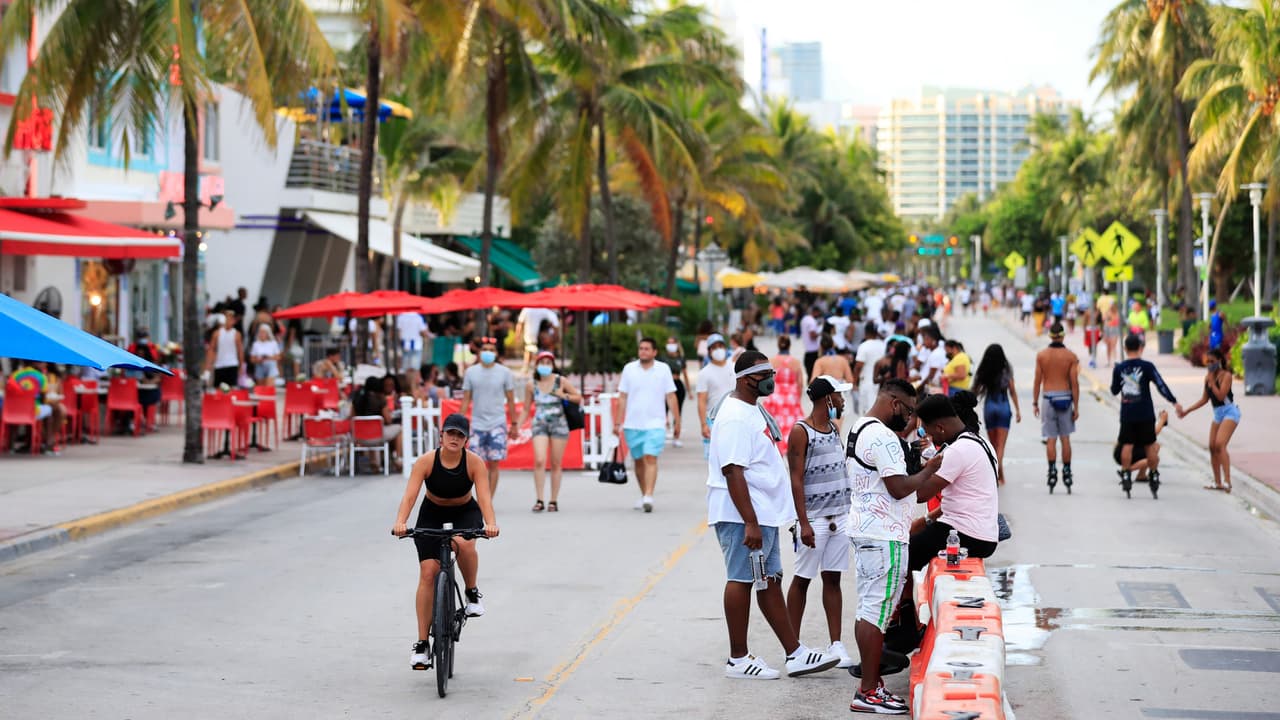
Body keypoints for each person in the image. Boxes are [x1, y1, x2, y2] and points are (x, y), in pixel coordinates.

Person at [708, 351, 840, 681]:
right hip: (743, 515)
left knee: (770, 580)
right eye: (766, 373)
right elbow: (732, 471)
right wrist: (750, 521)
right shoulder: (736, 416)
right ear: (746, 378)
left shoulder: (751, 410)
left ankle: (795, 653)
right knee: (741, 578)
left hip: (760, 513)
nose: (773, 379)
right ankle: (738, 658)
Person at [845, 378, 942, 714]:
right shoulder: (883, 436)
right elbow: (900, 488)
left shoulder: (860, 427)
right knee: (876, 611)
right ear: (895, 404)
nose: (911, 419)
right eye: (909, 411)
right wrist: (930, 468)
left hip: (866, 530)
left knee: (868, 609)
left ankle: (871, 684)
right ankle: (868, 690)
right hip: (884, 534)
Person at [392, 414, 500, 670]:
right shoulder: (426, 462)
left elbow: (484, 498)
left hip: (464, 511)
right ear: (441, 435)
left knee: (464, 543)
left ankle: (472, 592)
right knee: (428, 572)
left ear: (466, 440)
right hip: (433, 512)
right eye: (450, 433)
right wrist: (401, 522)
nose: (454, 438)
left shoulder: (474, 463)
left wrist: (491, 523)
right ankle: (421, 644)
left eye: (460, 435)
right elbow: (410, 496)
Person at [785, 376, 855, 669]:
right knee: (802, 580)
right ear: (827, 399)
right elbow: (796, 477)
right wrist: (803, 523)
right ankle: (793, 646)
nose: (842, 401)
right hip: (814, 519)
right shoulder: (801, 432)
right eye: (839, 396)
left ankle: (836, 643)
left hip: (839, 516)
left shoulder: (833, 429)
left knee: (833, 578)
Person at [908, 392, 1000, 568]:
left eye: (929, 433)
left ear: (940, 428)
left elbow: (921, 494)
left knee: (905, 553)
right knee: (919, 539)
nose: (931, 439)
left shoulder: (957, 450)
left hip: (965, 533)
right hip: (985, 533)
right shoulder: (981, 442)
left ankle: (906, 597)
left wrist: (921, 470)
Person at [616, 337, 680, 513]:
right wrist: (617, 422)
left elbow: (671, 396)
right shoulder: (629, 369)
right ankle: (644, 493)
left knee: (650, 457)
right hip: (633, 424)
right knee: (638, 461)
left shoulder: (663, 369)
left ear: (654, 352)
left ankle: (649, 496)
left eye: (646, 349)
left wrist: (677, 420)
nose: (643, 351)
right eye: (641, 348)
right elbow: (622, 396)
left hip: (656, 423)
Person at [1112, 334, 1181, 495]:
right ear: (1140, 348)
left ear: (1125, 348)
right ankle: (1154, 474)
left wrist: (1121, 380)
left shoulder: (1119, 368)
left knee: (1127, 444)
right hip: (1145, 413)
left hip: (1128, 413)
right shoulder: (1147, 366)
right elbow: (1160, 384)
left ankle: (1126, 474)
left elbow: (1114, 390)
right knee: (1150, 444)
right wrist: (1173, 401)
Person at [517, 352, 581, 512]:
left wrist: (564, 395)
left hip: (559, 423)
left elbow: (578, 397)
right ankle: (539, 499)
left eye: (548, 362)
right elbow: (526, 408)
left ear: (553, 365)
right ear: (537, 365)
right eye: (542, 362)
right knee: (539, 460)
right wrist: (516, 426)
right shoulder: (531, 384)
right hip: (540, 423)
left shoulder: (560, 381)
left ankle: (553, 500)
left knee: (556, 463)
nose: (545, 365)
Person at [459, 337, 518, 496]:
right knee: (474, 464)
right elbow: (466, 400)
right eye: (485, 349)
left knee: (494, 464)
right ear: (479, 352)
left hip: (497, 423)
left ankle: (487, 500)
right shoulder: (471, 372)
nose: (488, 353)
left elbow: (511, 399)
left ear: (496, 353)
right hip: (477, 424)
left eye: (491, 350)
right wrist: (458, 424)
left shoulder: (504, 372)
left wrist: (514, 423)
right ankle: (474, 496)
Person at [1177, 348, 1240, 492]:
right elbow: (1204, 399)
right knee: (1212, 447)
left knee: (1220, 444)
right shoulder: (1207, 377)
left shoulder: (1226, 376)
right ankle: (1217, 482)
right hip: (1218, 413)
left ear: (1219, 361)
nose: (1210, 365)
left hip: (1230, 411)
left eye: (1212, 361)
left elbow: (1220, 396)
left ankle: (1227, 481)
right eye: (1207, 362)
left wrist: (1212, 382)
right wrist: (1187, 411)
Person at [1033, 323, 1079, 492]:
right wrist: (1077, 406)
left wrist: (1035, 403)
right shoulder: (1071, 356)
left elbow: (1037, 381)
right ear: (1063, 335)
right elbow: (1074, 383)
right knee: (1065, 438)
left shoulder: (1042, 355)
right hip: (1065, 398)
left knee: (1050, 438)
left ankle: (1052, 469)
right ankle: (1066, 469)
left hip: (1048, 398)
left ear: (1050, 336)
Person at [972, 344, 1021, 486]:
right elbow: (1012, 390)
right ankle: (997, 475)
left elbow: (975, 389)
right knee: (1000, 447)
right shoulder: (1006, 369)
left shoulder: (985, 369)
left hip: (989, 407)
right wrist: (1017, 410)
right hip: (1003, 406)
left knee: (993, 446)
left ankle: (1000, 476)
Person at [762, 335, 805, 453]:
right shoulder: (795, 362)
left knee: (774, 424)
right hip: (791, 397)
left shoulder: (772, 361)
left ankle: (777, 450)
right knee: (791, 426)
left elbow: (766, 380)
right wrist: (797, 399)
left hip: (775, 397)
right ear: (789, 345)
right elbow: (800, 383)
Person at [696, 334, 736, 458]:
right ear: (709, 351)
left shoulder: (735, 368)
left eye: (720, 346)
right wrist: (703, 424)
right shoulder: (704, 373)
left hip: (734, 418)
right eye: (714, 347)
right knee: (716, 461)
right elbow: (701, 400)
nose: (718, 349)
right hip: (713, 420)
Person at [353, 376, 403, 473]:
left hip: (359, 437)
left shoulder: (357, 400)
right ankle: (397, 458)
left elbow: (352, 417)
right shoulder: (380, 399)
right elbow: (388, 420)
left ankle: (374, 462)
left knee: (372, 430)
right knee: (399, 429)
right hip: (376, 436)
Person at [663, 336, 691, 448]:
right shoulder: (663, 359)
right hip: (666, 386)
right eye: (668, 343)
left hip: (678, 385)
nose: (670, 345)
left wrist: (689, 391)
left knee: (677, 412)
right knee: (663, 410)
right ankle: (662, 432)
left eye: (672, 343)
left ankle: (676, 436)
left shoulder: (681, 358)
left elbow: (685, 375)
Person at [853, 322, 887, 417]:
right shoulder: (883, 345)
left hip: (866, 382)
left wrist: (854, 384)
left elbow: (858, 367)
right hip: (880, 381)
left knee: (867, 411)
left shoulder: (864, 346)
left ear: (866, 332)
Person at [206, 309, 244, 388]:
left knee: (231, 389)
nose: (228, 321)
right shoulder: (217, 333)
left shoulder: (236, 334)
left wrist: (241, 366)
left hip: (232, 364)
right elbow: (212, 349)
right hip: (219, 364)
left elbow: (240, 351)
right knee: (219, 388)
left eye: (230, 319)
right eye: (227, 318)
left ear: (234, 321)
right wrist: (209, 365)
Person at [516, 307, 559, 372]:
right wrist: (555, 337)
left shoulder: (527, 309)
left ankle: (527, 368)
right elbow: (556, 324)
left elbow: (520, 323)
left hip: (531, 337)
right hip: (535, 339)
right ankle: (527, 368)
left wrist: (518, 334)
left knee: (530, 352)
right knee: (530, 352)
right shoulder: (545, 310)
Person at [800, 306, 823, 378]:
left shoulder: (804, 319)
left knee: (809, 375)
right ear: (815, 312)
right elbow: (812, 335)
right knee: (814, 376)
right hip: (814, 352)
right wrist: (820, 334)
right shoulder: (812, 321)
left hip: (807, 351)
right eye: (818, 314)